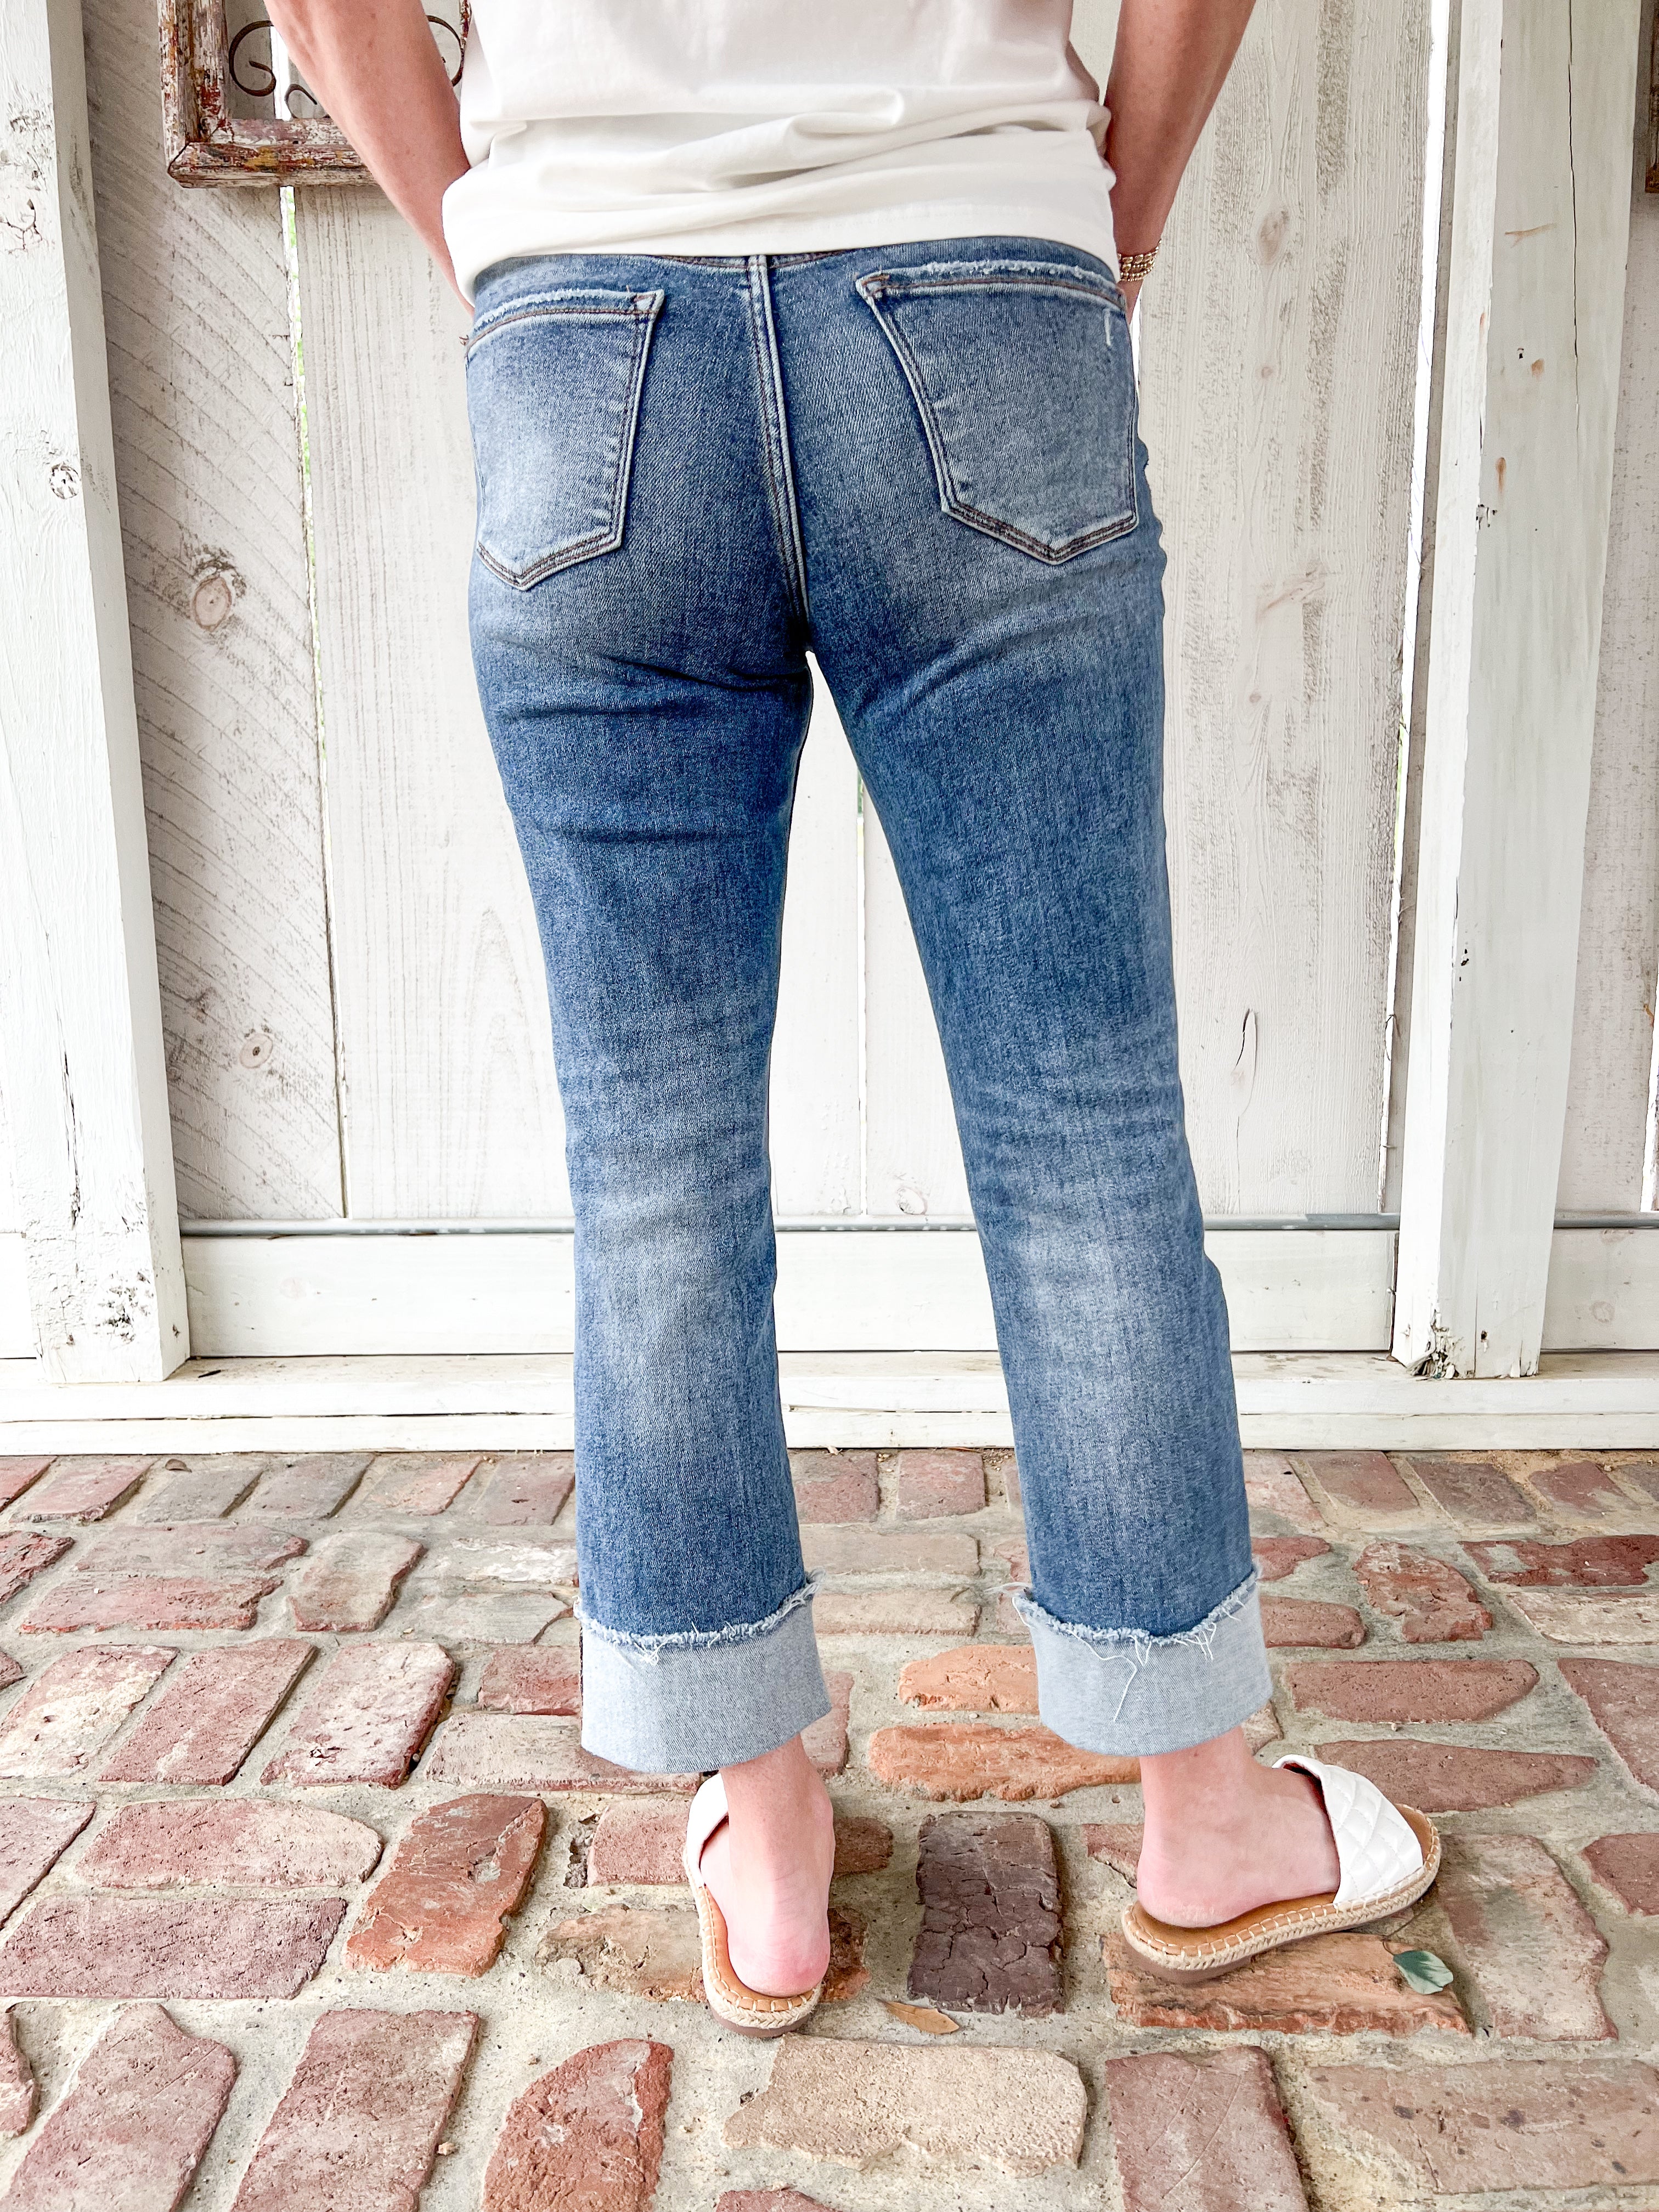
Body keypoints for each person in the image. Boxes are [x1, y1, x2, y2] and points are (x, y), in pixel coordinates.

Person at [269, 0, 1438, 2030]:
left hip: (585, 316)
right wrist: (1108, 218)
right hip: (978, 279)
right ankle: (1209, 1810)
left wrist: (502, 249)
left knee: (654, 1162)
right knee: (1083, 1123)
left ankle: (768, 1833)